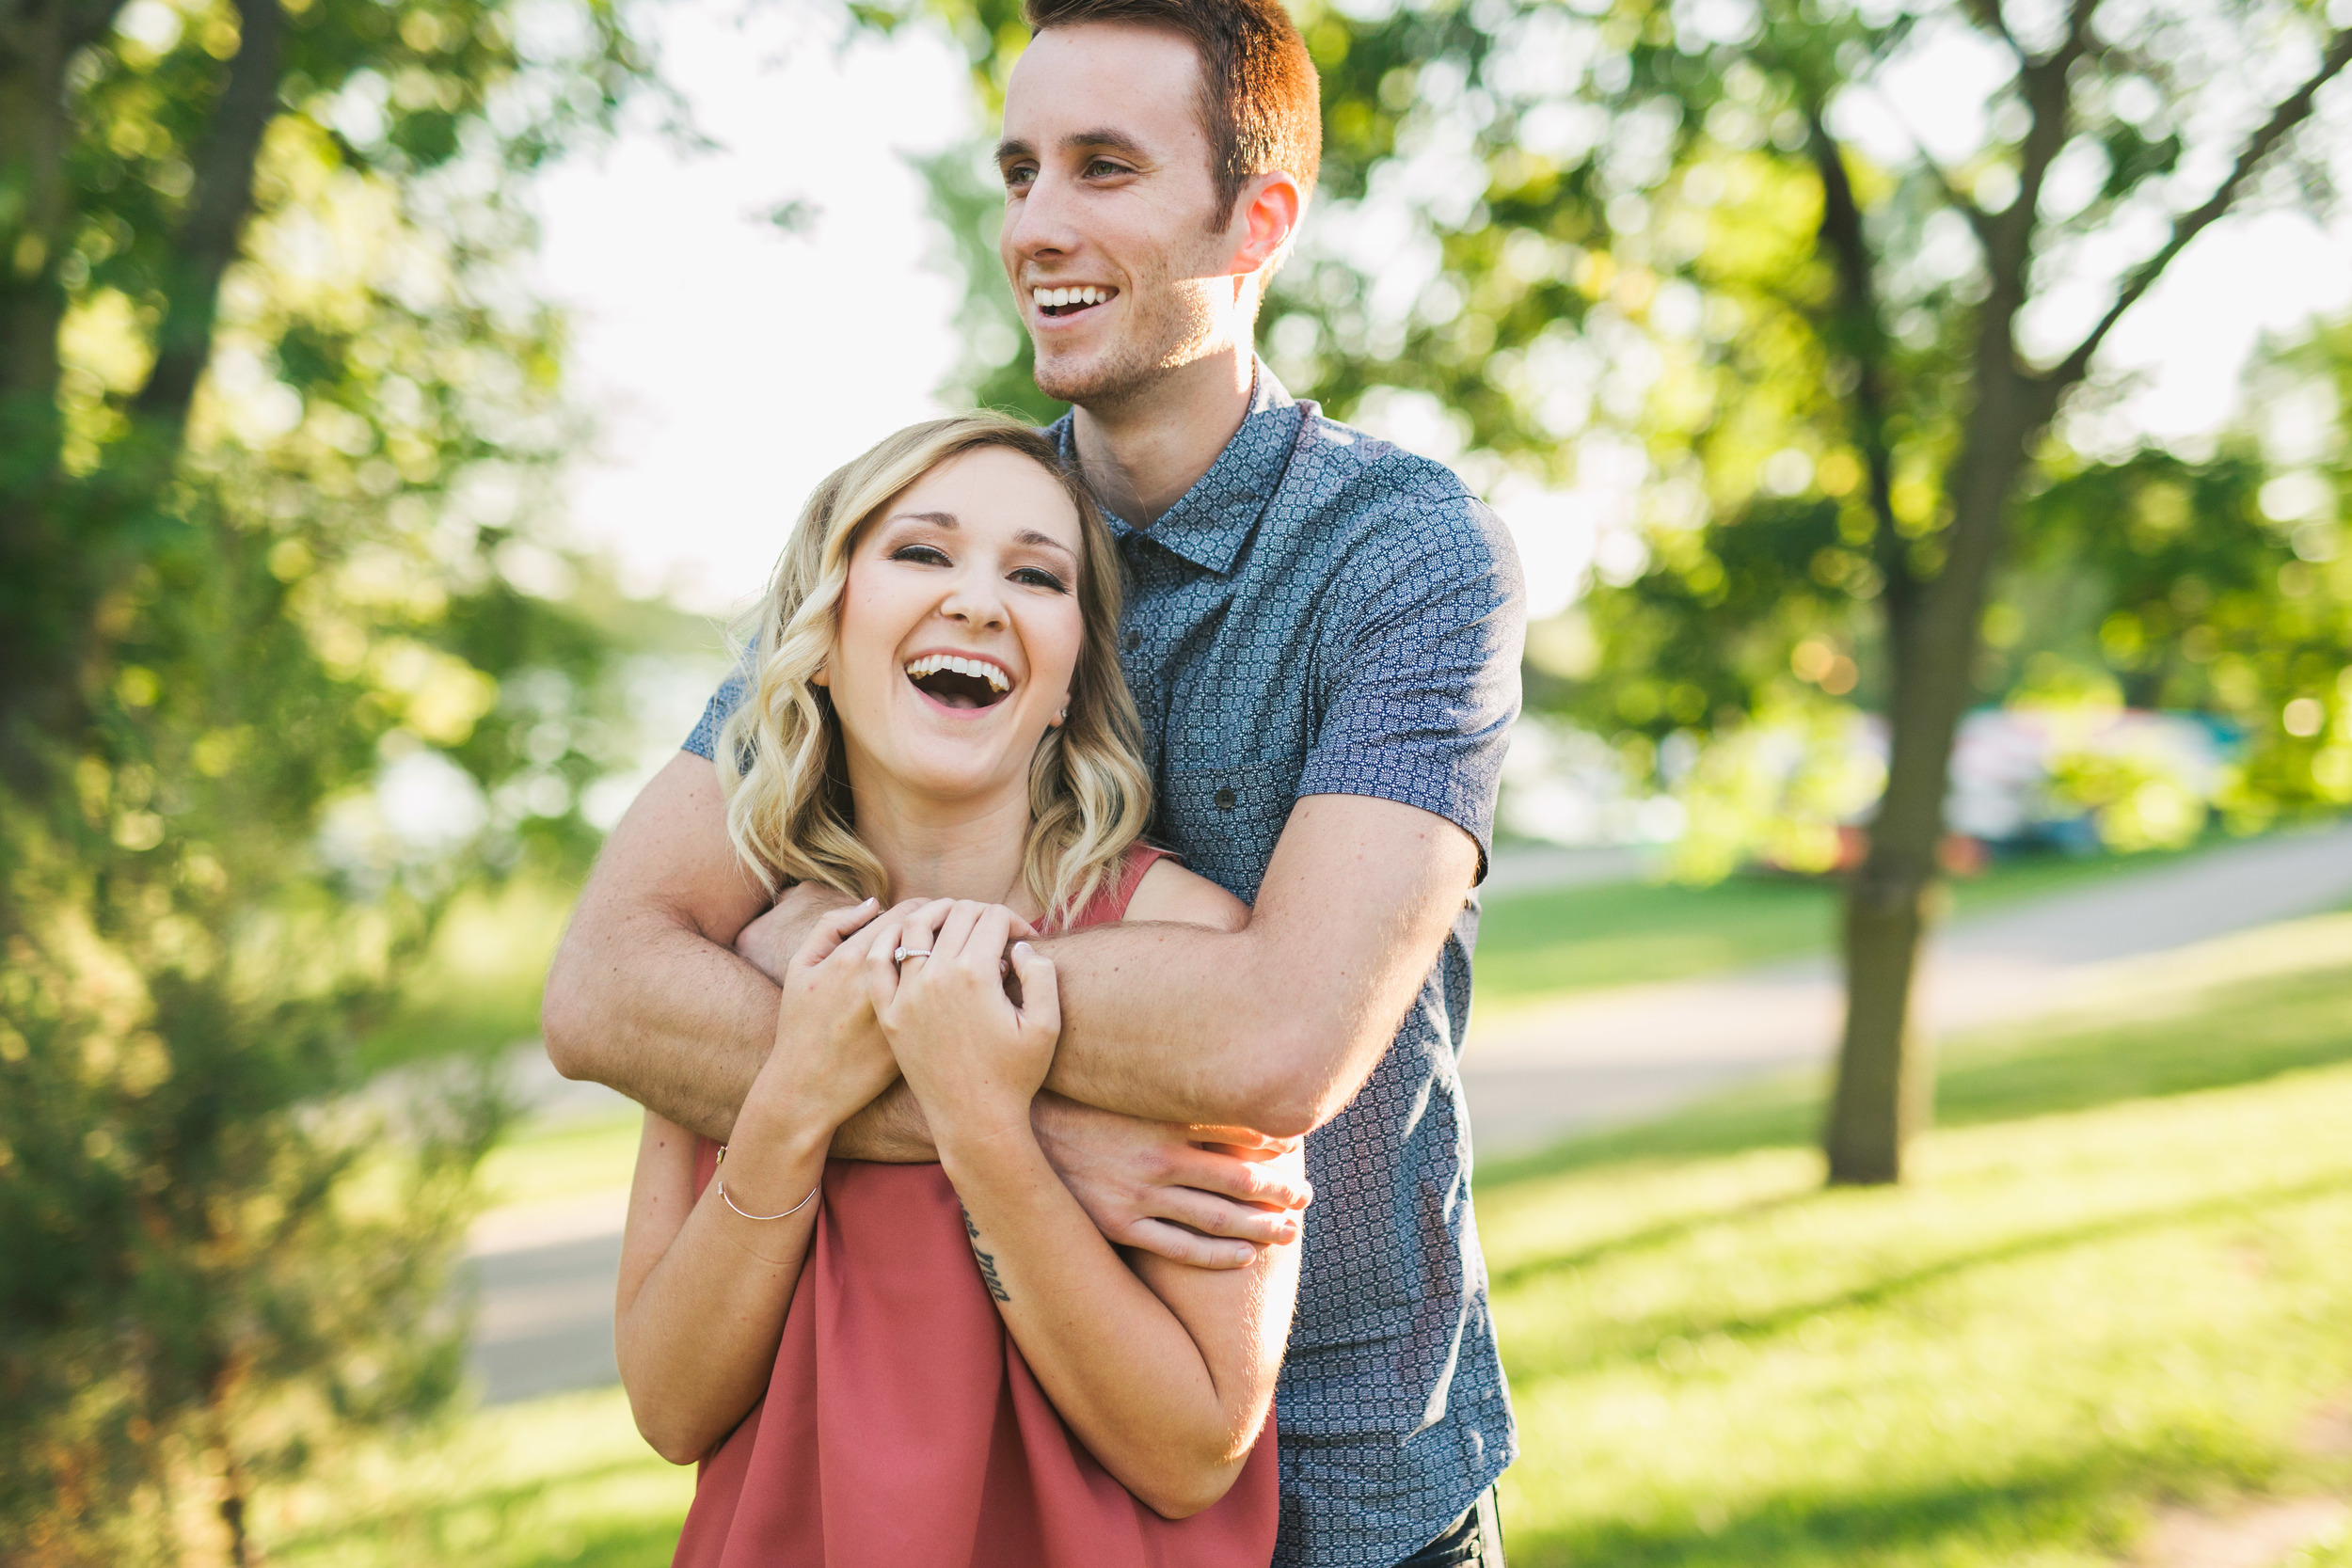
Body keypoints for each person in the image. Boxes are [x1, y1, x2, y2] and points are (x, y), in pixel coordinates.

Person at [545, 0, 1525, 1561]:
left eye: (1103, 167)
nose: (1036, 224)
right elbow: (608, 983)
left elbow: (1283, 1034)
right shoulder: (926, 542)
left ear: (1253, 217)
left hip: (1347, 1486)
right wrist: (1003, 1123)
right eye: (1017, 171)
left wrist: (867, 1008)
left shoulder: (1405, 558)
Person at [616, 413, 1304, 1563]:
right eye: (921, 553)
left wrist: (985, 1121)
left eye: (1035, 575)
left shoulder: (1187, 955)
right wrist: (793, 1092)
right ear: (821, 640)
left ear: (1069, 676)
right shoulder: (741, 963)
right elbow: (670, 1405)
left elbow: (1193, 1450)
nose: (978, 601)